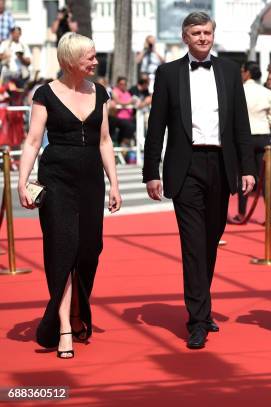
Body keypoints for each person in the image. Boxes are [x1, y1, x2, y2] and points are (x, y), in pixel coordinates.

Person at [143, 12, 256, 350]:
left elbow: (240, 124)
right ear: (184, 36)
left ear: (213, 35)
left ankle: (202, 307)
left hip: (221, 164)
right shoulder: (167, 73)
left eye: (207, 32)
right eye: (196, 32)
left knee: (210, 239)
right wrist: (151, 172)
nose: (203, 37)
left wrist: (247, 167)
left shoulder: (229, 71)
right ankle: (197, 321)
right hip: (186, 165)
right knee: (192, 245)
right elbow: (156, 125)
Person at [17, 32, 122, 358]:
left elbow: (104, 141)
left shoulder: (100, 92)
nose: (95, 61)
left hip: (91, 181)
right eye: (89, 56)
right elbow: (33, 141)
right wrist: (22, 182)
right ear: (70, 60)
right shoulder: (45, 94)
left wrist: (114, 184)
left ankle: (76, 312)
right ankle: (63, 325)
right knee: (62, 251)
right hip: (57, 180)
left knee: (89, 251)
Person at [235, 61, 271, 222]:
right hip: (264, 137)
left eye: (241, 71)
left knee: (244, 176)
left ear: (247, 73)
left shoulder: (239, 91)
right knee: (266, 177)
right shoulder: (267, 92)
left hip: (244, 138)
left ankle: (241, 213)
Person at [111, 76, 137, 146]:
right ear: (117, 84)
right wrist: (129, 102)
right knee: (130, 126)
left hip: (129, 117)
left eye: (124, 84)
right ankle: (124, 145)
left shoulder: (127, 92)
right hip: (118, 117)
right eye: (121, 84)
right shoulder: (115, 91)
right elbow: (117, 101)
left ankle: (125, 145)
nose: (123, 86)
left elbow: (133, 101)